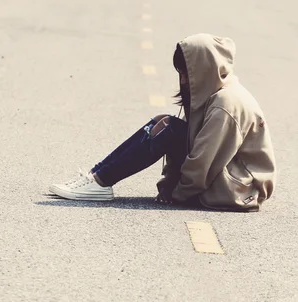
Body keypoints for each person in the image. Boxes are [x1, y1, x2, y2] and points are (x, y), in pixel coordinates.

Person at [49, 34, 276, 212]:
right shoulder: (213, 90)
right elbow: (194, 144)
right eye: (181, 73)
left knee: (167, 130)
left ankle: (100, 182)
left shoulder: (225, 103)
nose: (184, 80)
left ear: (205, 69)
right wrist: (170, 183)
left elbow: (203, 161)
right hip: (227, 177)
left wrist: (176, 191)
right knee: (161, 123)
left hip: (239, 189)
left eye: (188, 73)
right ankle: (96, 177)